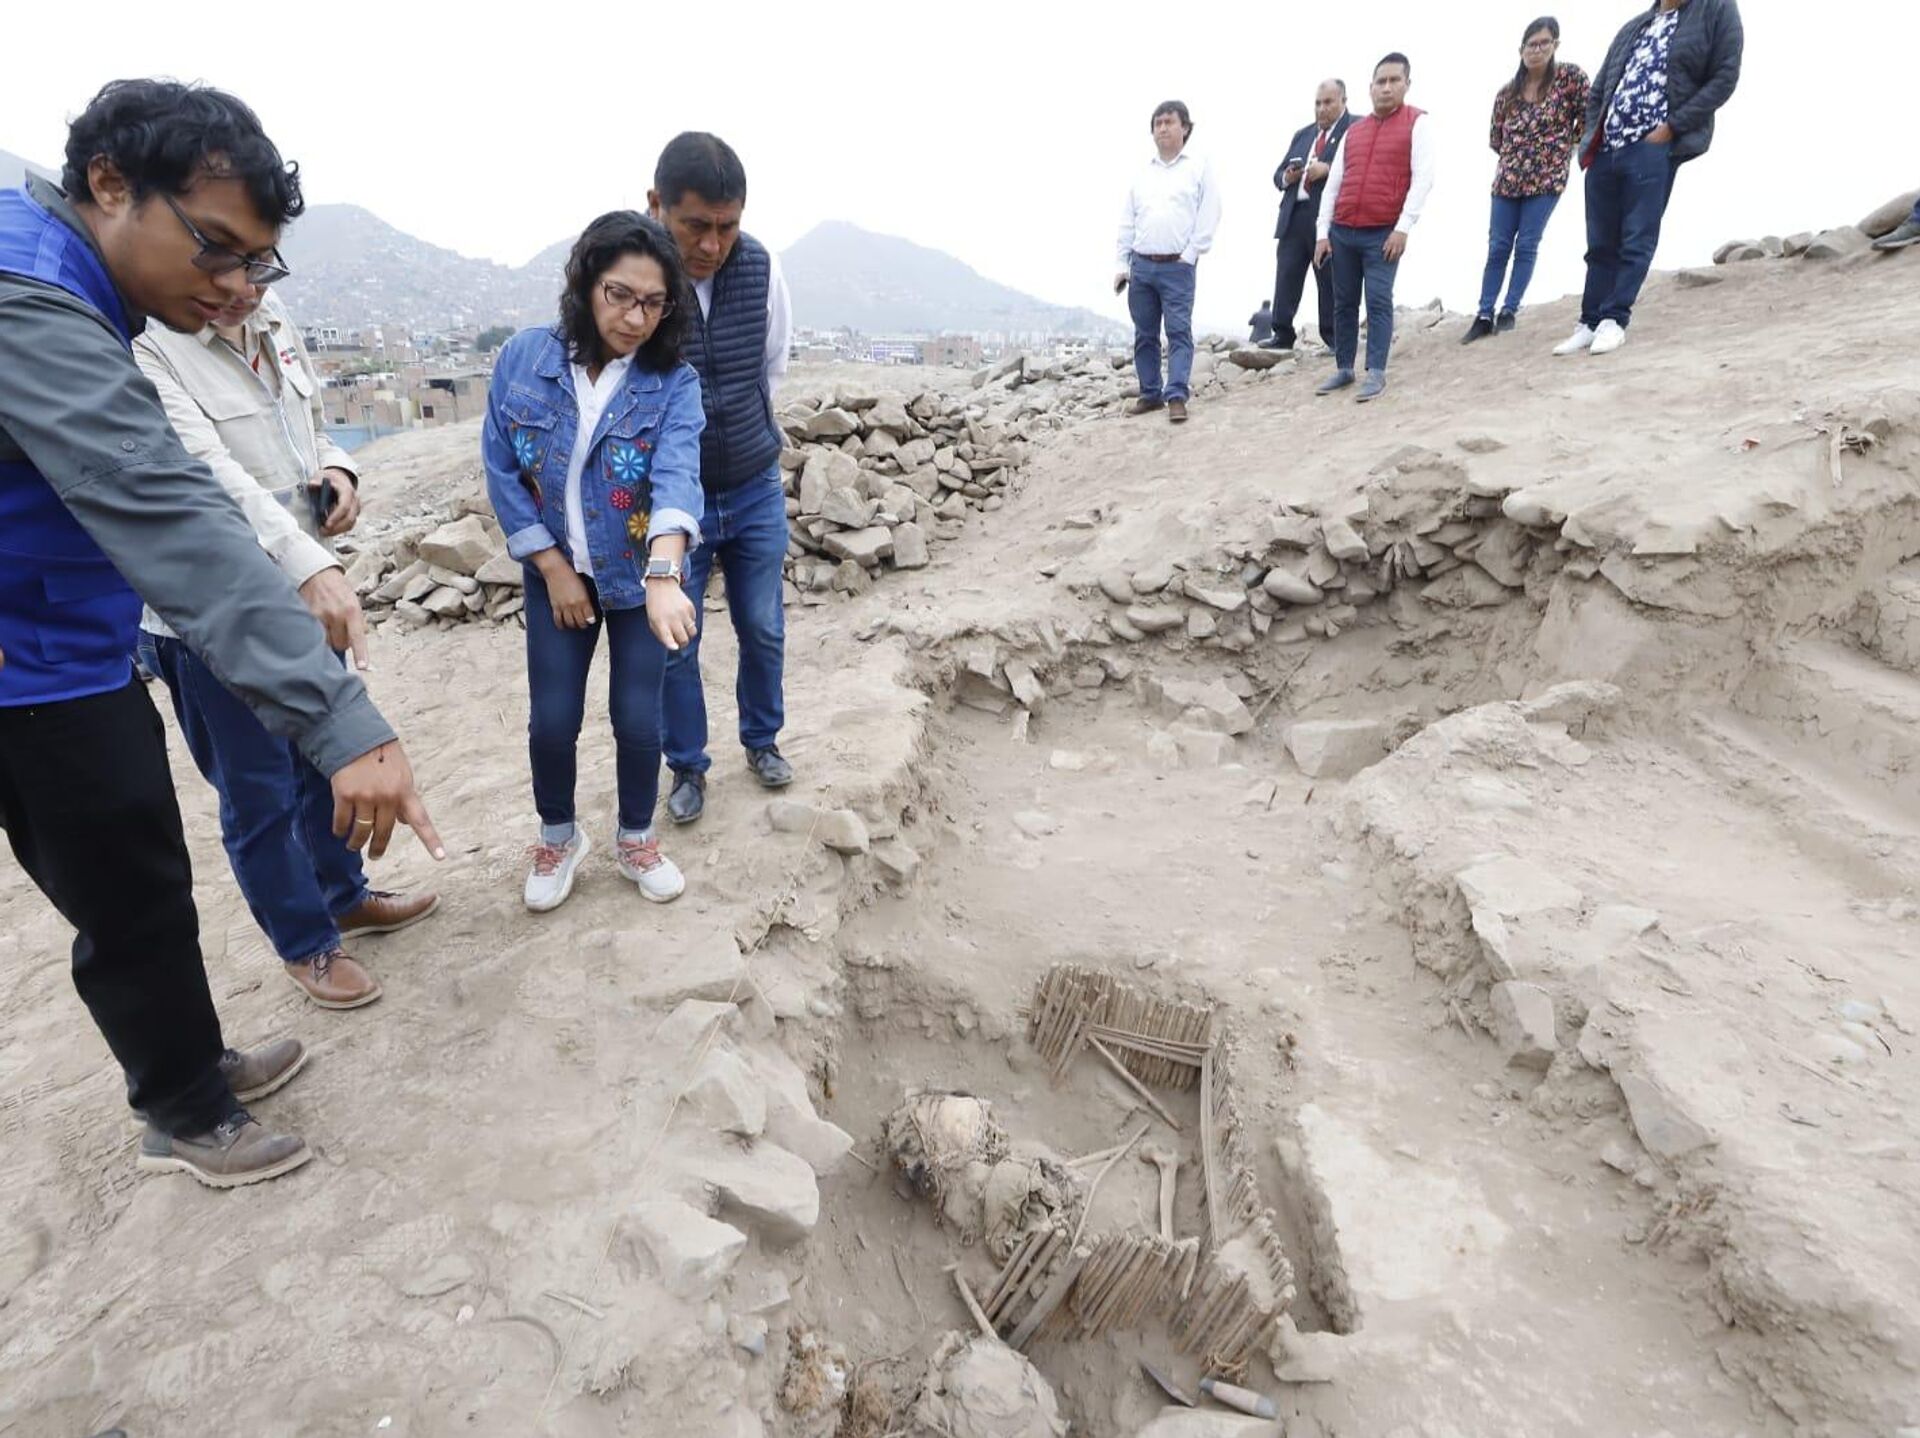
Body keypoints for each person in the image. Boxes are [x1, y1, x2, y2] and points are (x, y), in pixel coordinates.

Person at [0, 79, 442, 1189]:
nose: (235, 283)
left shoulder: (77, 283)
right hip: (27, 671)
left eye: (256, 262)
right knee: (123, 881)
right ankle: (184, 1113)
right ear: (111, 185)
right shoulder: (27, 296)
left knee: (143, 862)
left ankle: (191, 1063)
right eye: (214, 247)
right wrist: (344, 721)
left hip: (71, 641)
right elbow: (168, 509)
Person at [133, 284, 441, 1009]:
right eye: (227, 262)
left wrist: (338, 471)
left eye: (261, 267)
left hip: (303, 594)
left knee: (323, 762)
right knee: (259, 794)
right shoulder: (150, 343)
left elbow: (309, 429)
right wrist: (309, 566)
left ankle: (344, 897)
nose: (244, 288)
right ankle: (306, 944)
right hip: (212, 615)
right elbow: (211, 476)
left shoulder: (270, 317)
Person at [482, 212, 704, 913]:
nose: (635, 318)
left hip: (639, 579)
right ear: (586, 282)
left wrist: (663, 575)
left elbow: (677, 478)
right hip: (557, 574)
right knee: (552, 720)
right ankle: (559, 836)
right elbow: (501, 469)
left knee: (638, 719)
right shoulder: (523, 359)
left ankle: (636, 837)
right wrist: (553, 570)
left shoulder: (673, 384)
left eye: (653, 303)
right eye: (620, 295)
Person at [646, 133, 796, 825]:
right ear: (657, 205)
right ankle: (687, 766)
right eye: (696, 226)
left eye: (727, 227)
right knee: (677, 643)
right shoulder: (636, 278)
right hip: (676, 506)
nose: (712, 245)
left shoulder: (760, 269)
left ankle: (763, 741)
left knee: (762, 625)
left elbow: (771, 366)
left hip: (755, 484)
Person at [1554, 0, 1744, 357]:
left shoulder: (1716, 9)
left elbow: (1725, 76)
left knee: (1636, 238)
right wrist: (1593, 136)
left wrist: (1671, 128)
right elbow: (1600, 88)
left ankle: (1614, 319)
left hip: (1651, 147)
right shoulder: (1635, 25)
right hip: (1607, 149)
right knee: (1599, 244)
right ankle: (1589, 322)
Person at [1315, 54, 1436, 404]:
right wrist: (1322, 233)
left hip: (1383, 233)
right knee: (1344, 302)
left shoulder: (1417, 123)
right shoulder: (1354, 131)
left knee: (1379, 300)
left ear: (1406, 85)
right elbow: (1333, 185)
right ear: (1370, 87)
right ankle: (1344, 367)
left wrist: (1403, 228)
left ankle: (1376, 371)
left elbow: (1424, 179)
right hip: (1343, 231)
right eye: (1380, 81)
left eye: (1394, 80)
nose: (1386, 87)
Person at [1464, 18, 1590, 342]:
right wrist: (1517, 157)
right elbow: (1496, 138)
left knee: (1527, 243)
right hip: (1508, 178)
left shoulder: (1570, 78)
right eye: (1531, 45)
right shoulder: (1507, 93)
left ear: (1555, 45)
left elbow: (1588, 116)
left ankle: (1509, 309)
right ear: (1520, 50)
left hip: (1547, 178)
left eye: (1543, 43)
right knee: (1498, 246)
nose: (1537, 50)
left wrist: (1564, 148)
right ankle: (1484, 313)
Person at [1115, 101, 1221, 424]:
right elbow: (1128, 221)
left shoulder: (1198, 167)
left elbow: (1210, 212)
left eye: (1168, 122)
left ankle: (1176, 395)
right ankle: (1150, 393)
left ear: (1184, 127)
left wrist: (1191, 255)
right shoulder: (1143, 173)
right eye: (1157, 123)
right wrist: (1122, 264)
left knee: (1178, 331)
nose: (1162, 128)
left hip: (1178, 266)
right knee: (1144, 334)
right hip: (1142, 265)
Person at [1269, 80, 1354, 352]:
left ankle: (1334, 337)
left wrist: (1328, 168)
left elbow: (1361, 167)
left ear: (1343, 101)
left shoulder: (1355, 128)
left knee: (1328, 278)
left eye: (1328, 102)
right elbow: (1277, 174)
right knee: (1287, 275)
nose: (1321, 109)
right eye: (1318, 103)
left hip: (1329, 218)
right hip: (1294, 215)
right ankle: (1282, 333)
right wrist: (1287, 176)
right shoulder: (1303, 135)